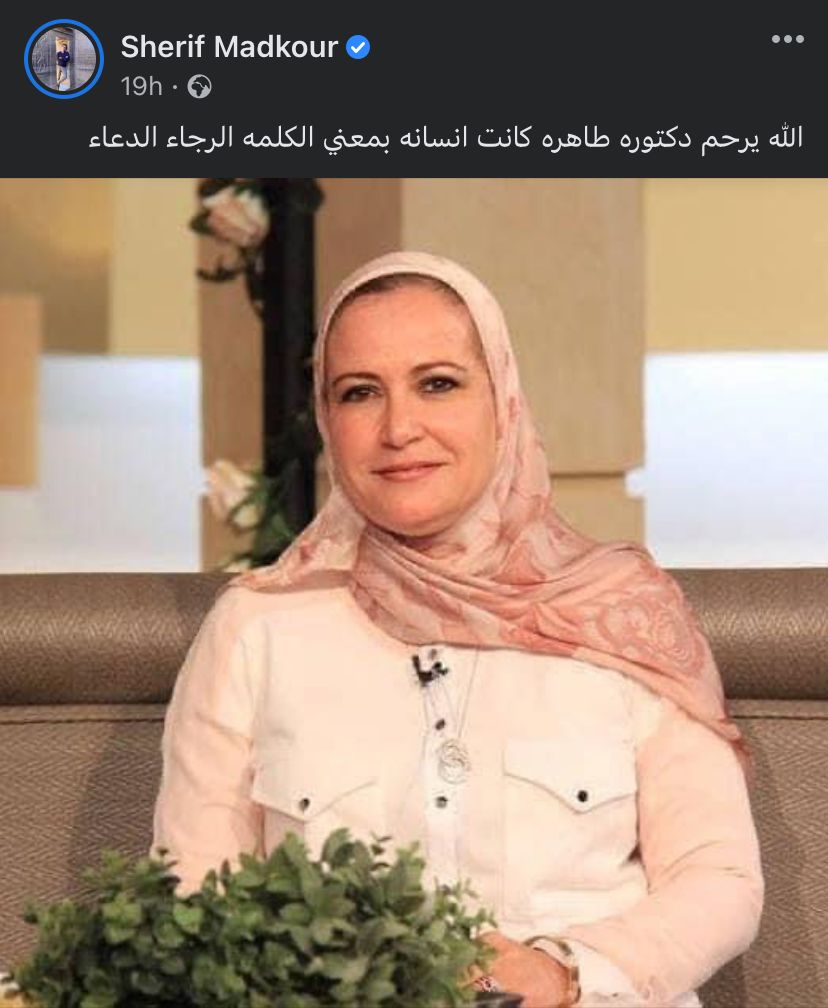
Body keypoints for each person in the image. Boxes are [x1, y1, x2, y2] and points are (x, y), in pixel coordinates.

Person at [153, 251, 763, 1007]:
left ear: (502, 400)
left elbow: (719, 879)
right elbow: (194, 902)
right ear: (327, 420)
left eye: (437, 384)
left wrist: (565, 971)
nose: (399, 428)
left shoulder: (624, 614)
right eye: (359, 393)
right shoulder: (257, 627)